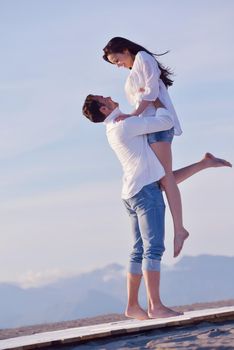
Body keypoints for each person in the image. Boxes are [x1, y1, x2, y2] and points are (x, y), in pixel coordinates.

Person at [82, 95, 231, 320]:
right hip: (144, 192)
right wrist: (158, 102)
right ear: (104, 108)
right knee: (153, 249)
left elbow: (165, 177)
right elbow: (165, 122)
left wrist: (203, 164)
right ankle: (156, 306)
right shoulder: (125, 125)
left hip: (131, 192)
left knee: (138, 250)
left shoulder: (113, 128)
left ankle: (132, 306)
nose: (111, 98)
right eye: (106, 99)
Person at [103, 37, 187, 258]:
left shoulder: (143, 58)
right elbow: (145, 95)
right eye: (114, 63)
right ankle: (205, 164)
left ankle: (179, 229)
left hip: (159, 124)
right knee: (161, 179)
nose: (117, 65)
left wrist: (132, 115)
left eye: (116, 59)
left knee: (165, 178)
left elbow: (150, 94)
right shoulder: (134, 69)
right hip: (150, 127)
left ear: (125, 50)